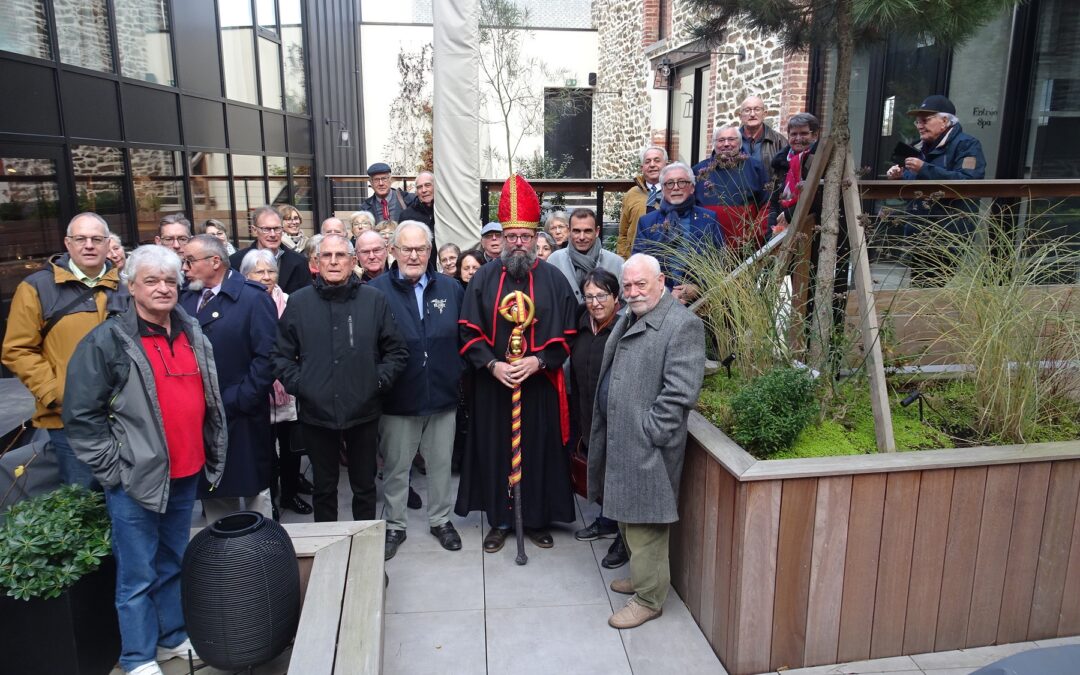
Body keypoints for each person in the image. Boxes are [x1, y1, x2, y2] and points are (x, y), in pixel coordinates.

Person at [62, 244, 227, 675]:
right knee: (136, 575)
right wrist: (114, 470)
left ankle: (171, 637)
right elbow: (80, 415)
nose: (162, 288)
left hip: (185, 472)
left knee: (173, 560)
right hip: (136, 479)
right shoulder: (108, 341)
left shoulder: (191, 330)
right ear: (131, 286)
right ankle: (137, 657)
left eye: (170, 281)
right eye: (151, 280)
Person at [456, 175, 578, 554]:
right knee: (497, 452)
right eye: (512, 237)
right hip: (495, 388)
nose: (519, 244)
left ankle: (537, 518)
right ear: (501, 238)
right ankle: (501, 520)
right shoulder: (484, 278)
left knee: (538, 451)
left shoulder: (554, 279)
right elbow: (467, 331)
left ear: (535, 236)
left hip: (538, 387)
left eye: (525, 237)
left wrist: (539, 361)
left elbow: (569, 333)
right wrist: (493, 366)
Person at [588, 253, 705, 630]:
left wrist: (650, 431)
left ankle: (649, 598)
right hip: (623, 438)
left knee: (646, 524)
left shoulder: (681, 325)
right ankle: (643, 578)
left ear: (661, 282)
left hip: (647, 444)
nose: (634, 292)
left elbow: (680, 393)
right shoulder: (632, 315)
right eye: (628, 286)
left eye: (641, 284)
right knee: (627, 516)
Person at [272, 234, 408, 522]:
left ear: (352, 260)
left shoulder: (374, 300)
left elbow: (396, 351)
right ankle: (326, 552)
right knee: (324, 488)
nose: (333, 262)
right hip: (317, 414)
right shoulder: (298, 303)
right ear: (316, 262)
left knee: (364, 487)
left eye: (340, 255)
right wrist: (303, 386)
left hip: (364, 411)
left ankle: (365, 555)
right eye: (327, 256)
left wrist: (376, 382)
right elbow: (280, 356)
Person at [2, 212, 128, 489]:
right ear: (67, 244)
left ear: (109, 245)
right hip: (69, 422)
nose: (89, 245)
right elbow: (18, 350)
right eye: (80, 239)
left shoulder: (128, 286)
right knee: (84, 506)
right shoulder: (36, 288)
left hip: (125, 419)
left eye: (97, 239)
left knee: (127, 504)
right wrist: (56, 394)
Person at [370, 221, 465, 559]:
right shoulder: (376, 291)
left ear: (430, 252)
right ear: (393, 251)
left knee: (441, 464)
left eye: (421, 249)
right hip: (398, 398)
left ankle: (441, 520)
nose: (414, 255)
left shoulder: (451, 289)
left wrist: (457, 373)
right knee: (397, 466)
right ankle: (395, 524)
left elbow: (464, 338)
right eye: (407, 248)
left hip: (442, 393)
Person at [179, 235, 278, 523]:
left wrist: (239, 399)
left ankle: (263, 553)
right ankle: (223, 560)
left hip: (241, 413)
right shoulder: (185, 298)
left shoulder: (252, 297)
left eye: (189, 261)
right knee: (214, 490)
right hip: (200, 413)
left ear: (215, 262)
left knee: (253, 490)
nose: (184, 268)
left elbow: (267, 357)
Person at [240, 249, 313, 516]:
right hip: (259, 389)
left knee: (293, 448)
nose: (266, 277)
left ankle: (290, 493)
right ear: (246, 275)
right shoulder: (242, 303)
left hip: (289, 388)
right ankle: (270, 500)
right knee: (265, 451)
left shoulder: (291, 301)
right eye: (259, 272)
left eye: (270, 271)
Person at [570, 269, 628, 569]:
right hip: (586, 410)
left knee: (617, 473)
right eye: (589, 296)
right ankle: (606, 520)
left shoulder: (624, 328)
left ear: (616, 298)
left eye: (602, 296)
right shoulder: (580, 326)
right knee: (598, 468)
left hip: (616, 417)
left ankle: (624, 537)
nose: (595, 302)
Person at [886, 94, 987, 227]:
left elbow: (968, 182)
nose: (919, 126)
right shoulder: (917, 147)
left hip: (951, 232)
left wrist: (924, 168)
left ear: (944, 121)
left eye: (925, 120)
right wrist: (898, 178)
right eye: (917, 121)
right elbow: (909, 194)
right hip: (916, 229)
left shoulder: (968, 145)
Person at [632, 162, 724, 303]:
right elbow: (639, 265)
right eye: (669, 183)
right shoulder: (647, 222)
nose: (675, 187)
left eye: (682, 182)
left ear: (692, 188)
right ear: (662, 189)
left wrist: (698, 288)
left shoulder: (708, 219)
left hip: (701, 301)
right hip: (658, 301)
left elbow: (719, 262)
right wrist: (665, 292)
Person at [693, 124, 770, 248]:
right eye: (721, 140)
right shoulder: (699, 171)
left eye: (731, 139)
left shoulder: (756, 168)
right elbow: (692, 209)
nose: (726, 144)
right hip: (707, 248)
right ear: (714, 143)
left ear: (740, 143)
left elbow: (767, 205)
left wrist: (754, 234)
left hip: (746, 248)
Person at [546, 208, 624, 304]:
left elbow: (625, 303)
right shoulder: (554, 261)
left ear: (597, 232)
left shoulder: (616, 263)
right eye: (576, 231)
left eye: (587, 231)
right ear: (569, 231)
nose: (582, 237)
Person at [230, 205, 311, 294]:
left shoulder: (299, 261)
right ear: (254, 230)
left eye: (277, 228)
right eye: (266, 229)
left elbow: (305, 299)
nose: (273, 234)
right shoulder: (236, 261)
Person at [768, 112, 823, 234]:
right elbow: (774, 202)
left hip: (812, 230)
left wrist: (789, 214)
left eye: (803, 133)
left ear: (814, 135)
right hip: (782, 230)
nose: (798, 138)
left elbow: (818, 197)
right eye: (793, 134)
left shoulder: (820, 161)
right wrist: (770, 232)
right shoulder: (781, 163)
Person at [617, 146, 668, 258]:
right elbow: (623, 234)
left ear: (666, 165)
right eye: (647, 161)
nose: (652, 165)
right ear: (642, 167)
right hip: (637, 258)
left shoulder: (674, 192)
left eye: (657, 160)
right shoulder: (631, 194)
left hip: (667, 259)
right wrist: (624, 260)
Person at [738, 95, 788, 183]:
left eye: (757, 109)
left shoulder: (779, 141)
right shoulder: (731, 141)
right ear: (740, 116)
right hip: (737, 195)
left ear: (764, 114)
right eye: (747, 110)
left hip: (769, 195)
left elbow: (787, 174)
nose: (752, 114)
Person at [400, 170, 436, 235]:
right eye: (419, 187)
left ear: (435, 187)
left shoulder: (445, 210)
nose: (424, 190)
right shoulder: (407, 216)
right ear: (416, 191)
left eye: (427, 185)